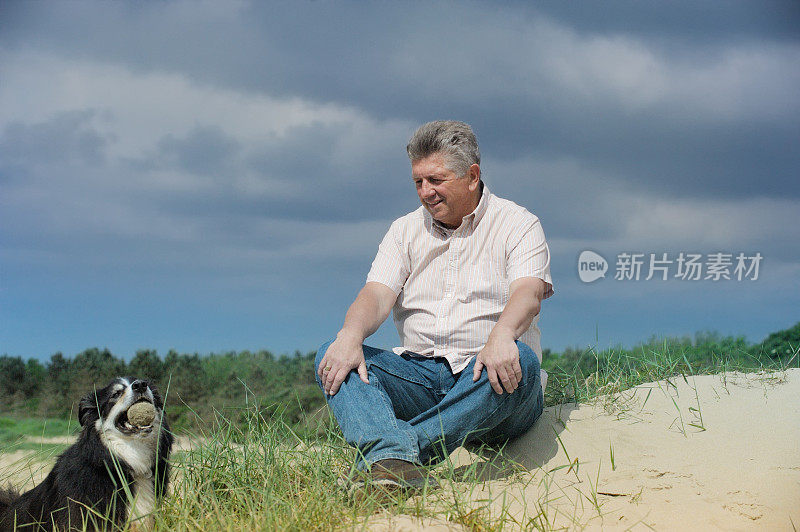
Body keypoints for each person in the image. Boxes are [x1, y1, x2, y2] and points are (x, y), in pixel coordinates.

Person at [315, 120, 554, 492]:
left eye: (436, 180)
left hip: (491, 379)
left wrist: (503, 334)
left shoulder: (519, 224)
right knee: (333, 354)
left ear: (472, 176)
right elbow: (376, 294)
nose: (425, 192)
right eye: (418, 182)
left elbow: (529, 293)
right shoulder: (403, 230)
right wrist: (350, 335)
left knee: (521, 360)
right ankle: (393, 456)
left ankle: (391, 454)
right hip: (420, 378)